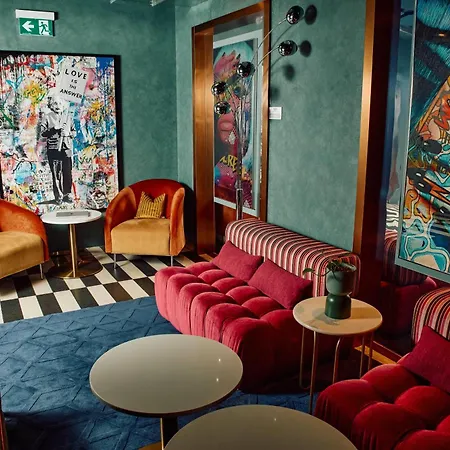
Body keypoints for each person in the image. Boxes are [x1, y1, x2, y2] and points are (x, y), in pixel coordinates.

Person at [41, 96, 74, 204]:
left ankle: (67, 194)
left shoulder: (68, 117)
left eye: (60, 103)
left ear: (63, 105)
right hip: (53, 148)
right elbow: (43, 133)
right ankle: (58, 196)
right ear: (51, 105)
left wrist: (68, 133)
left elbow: (74, 132)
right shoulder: (47, 117)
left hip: (66, 148)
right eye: (55, 103)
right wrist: (53, 129)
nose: (58, 106)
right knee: (56, 173)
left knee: (67, 172)